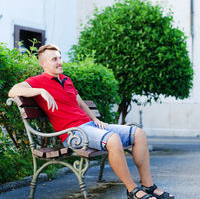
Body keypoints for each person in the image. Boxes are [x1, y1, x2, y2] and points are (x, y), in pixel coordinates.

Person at [8, 44, 174, 199]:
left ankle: (148, 186)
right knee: (113, 139)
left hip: (89, 126)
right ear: (43, 64)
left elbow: (79, 101)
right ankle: (132, 190)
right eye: (54, 59)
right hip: (73, 133)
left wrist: (95, 119)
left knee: (139, 134)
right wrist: (40, 91)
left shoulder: (66, 79)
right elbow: (13, 90)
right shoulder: (38, 81)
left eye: (59, 57)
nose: (59, 62)